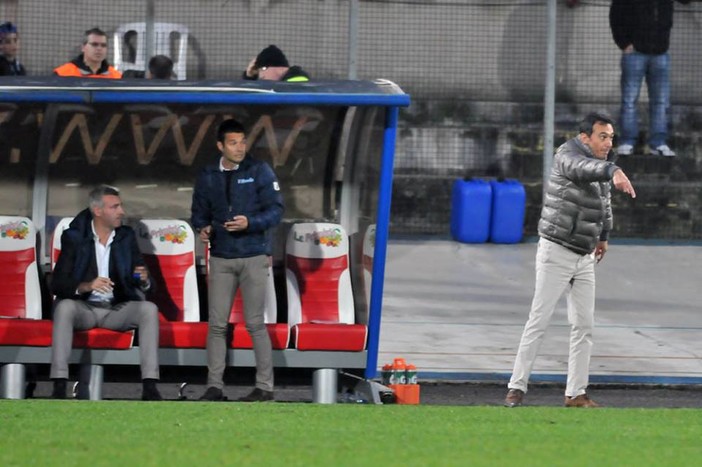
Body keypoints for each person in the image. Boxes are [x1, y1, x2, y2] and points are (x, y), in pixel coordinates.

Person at [504, 112, 636, 408]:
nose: (608, 142)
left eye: (611, 137)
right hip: (557, 250)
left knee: (584, 326)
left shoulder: (601, 163)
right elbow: (582, 169)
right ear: (584, 137)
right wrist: (613, 170)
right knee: (539, 320)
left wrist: (604, 235)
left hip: (584, 255)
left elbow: (604, 202)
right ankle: (516, 387)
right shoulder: (567, 154)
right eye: (603, 136)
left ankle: (575, 393)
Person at [191, 118, 284, 402]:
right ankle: (214, 386)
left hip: (254, 256)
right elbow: (198, 212)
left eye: (243, 142)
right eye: (233, 143)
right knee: (217, 324)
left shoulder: (259, 171)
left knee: (255, 323)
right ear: (221, 146)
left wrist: (250, 223)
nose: (240, 147)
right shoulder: (208, 175)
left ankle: (265, 387)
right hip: (221, 258)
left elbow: (276, 211)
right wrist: (203, 227)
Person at [50, 185, 162, 401]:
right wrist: (86, 286)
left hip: (115, 310)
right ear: (97, 210)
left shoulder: (126, 237)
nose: (121, 211)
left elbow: (141, 278)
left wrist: (144, 279)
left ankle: (150, 385)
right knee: (63, 307)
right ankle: (59, 384)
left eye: (120, 206)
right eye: (115, 207)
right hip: (85, 309)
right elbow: (57, 283)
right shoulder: (74, 238)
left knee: (148, 309)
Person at [609, 0, 691, 157]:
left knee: (660, 101)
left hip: (660, 52)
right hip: (635, 52)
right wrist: (623, 43)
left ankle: (658, 143)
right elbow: (616, 15)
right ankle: (628, 142)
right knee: (630, 100)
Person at [53, 27, 122, 78]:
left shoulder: (116, 76)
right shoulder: (62, 74)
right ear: (83, 47)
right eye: (94, 44)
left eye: (103, 45)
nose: (99, 48)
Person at [242, 44, 310, 82]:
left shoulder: (296, 82)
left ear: (278, 68)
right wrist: (249, 77)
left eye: (263, 69)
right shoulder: (282, 84)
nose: (260, 76)